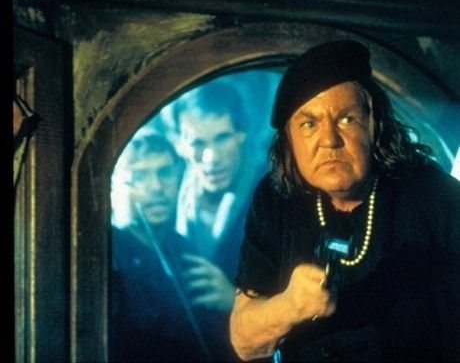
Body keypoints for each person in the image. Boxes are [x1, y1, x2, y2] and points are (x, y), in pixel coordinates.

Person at [230, 40, 460, 362]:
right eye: (309, 124)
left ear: (374, 123)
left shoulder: (434, 196)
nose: (329, 140)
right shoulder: (276, 198)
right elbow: (245, 342)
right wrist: (289, 306)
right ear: (289, 139)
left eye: (346, 119)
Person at [171, 84, 267, 361]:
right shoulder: (168, 188)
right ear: (179, 145)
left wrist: (235, 302)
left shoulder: (276, 194)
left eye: (222, 138)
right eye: (197, 143)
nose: (211, 158)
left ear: (240, 134)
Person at [110, 133, 213, 363]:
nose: (156, 187)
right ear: (114, 184)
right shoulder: (104, 251)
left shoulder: (184, 250)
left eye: (165, 172)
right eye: (139, 176)